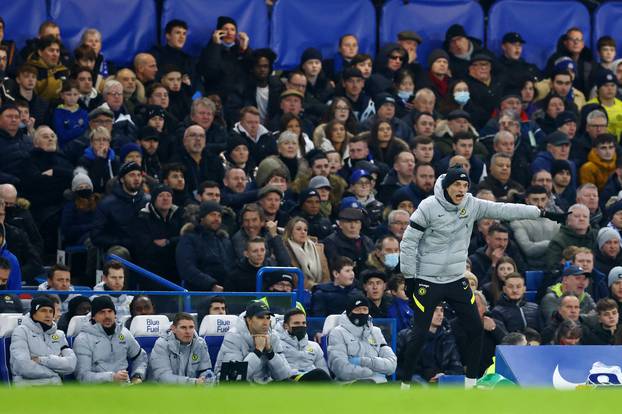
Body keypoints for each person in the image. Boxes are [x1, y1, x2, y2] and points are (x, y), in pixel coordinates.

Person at [400, 166, 566, 388]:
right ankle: (404, 385)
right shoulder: (428, 207)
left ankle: (470, 385)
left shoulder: (472, 204)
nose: (461, 189)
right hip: (428, 280)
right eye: (456, 185)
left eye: (465, 185)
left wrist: (543, 213)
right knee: (419, 335)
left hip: (455, 279)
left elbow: (506, 209)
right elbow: (409, 243)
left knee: (476, 329)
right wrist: (410, 278)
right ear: (446, 186)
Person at [74, 296, 148, 383]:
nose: (107, 316)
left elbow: (140, 357)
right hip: (96, 391)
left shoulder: (124, 333)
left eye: (110, 311)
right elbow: (82, 376)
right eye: (102, 312)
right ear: (93, 317)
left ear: (115, 314)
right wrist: (111, 377)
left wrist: (138, 375)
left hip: (125, 388)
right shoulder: (83, 339)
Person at [215, 301, 290, 383]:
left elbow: (284, 375)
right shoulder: (233, 337)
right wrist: (257, 352)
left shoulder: (273, 336)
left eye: (268, 318)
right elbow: (234, 377)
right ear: (249, 320)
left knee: (291, 385)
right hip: (240, 386)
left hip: (264, 384)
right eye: (260, 317)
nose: (265, 323)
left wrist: (270, 353)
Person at [327, 295, 397, 383]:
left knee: (411, 386)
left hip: (380, 383)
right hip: (350, 384)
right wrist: (371, 373)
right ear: (349, 312)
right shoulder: (337, 333)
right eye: (357, 309)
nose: (361, 313)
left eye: (365, 309)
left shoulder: (376, 332)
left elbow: (392, 365)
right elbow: (341, 368)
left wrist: (361, 361)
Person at [9, 296, 76, 385]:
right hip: (28, 387)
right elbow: (23, 367)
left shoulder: (59, 334)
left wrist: (42, 360)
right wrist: (55, 371)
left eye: (51, 311)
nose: (48, 315)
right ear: (33, 313)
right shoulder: (21, 331)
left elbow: (71, 365)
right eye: (43, 310)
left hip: (55, 387)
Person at [90, 162, 147, 260]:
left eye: (139, 175)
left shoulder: (147, 201)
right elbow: (96, 236)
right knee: (119, 253)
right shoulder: (107, 204)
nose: (137, 178)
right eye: (132, 175)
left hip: (143, 247)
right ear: (122, 179)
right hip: (118, 246)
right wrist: (123, 241)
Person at [176, 201, 233, 292]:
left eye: (219, 216)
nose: (217, 219)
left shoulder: (224, 240)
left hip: (225, 294)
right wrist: (211, 284)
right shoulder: (189, 239)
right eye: (212, 215)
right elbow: (187, 268)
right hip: (199, 294)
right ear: (202, 217)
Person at [149, 312, 214, 384]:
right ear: (173, 329)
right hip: (163, 392)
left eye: (191, 327)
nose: (188, 331)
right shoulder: (161, 344)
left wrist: (206, 380)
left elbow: (205, 370)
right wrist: (193, 383)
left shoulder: (200, 343)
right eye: (183, 327)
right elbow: (163, 377)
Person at [510, 186, 562, 269]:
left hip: (555, 267)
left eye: (543, 199)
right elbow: (528, 250)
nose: (540, 204)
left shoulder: (556, 222)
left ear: (548, 200)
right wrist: (553, 244)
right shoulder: (517, 222)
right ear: (527, 200)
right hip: (530, 269)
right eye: (535, 200)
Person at [410, 304, 464, 383]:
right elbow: (406, 368)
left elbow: (457, 367)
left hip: (442, 383)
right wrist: (427, 376)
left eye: (441, 310)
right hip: (418, 384)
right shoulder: (410, 336)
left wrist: (443, 376)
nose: (440, 314)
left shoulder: (448, 338)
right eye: (435, 310)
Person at [277, 308, 331, 381]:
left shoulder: (314, 346)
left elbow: (325, 372)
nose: (301, 326)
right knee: (318, 373)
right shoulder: (277, 344)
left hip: (312, 380)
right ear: (286, 326)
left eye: (303, 323)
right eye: (296, 323)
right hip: (289, 381)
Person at [545, 203, 597, 269]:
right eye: (577, 216)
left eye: (585, 216)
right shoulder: (558, 241)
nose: (581, 219)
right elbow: (553, 267)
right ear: (568, 220)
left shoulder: (596, 236)